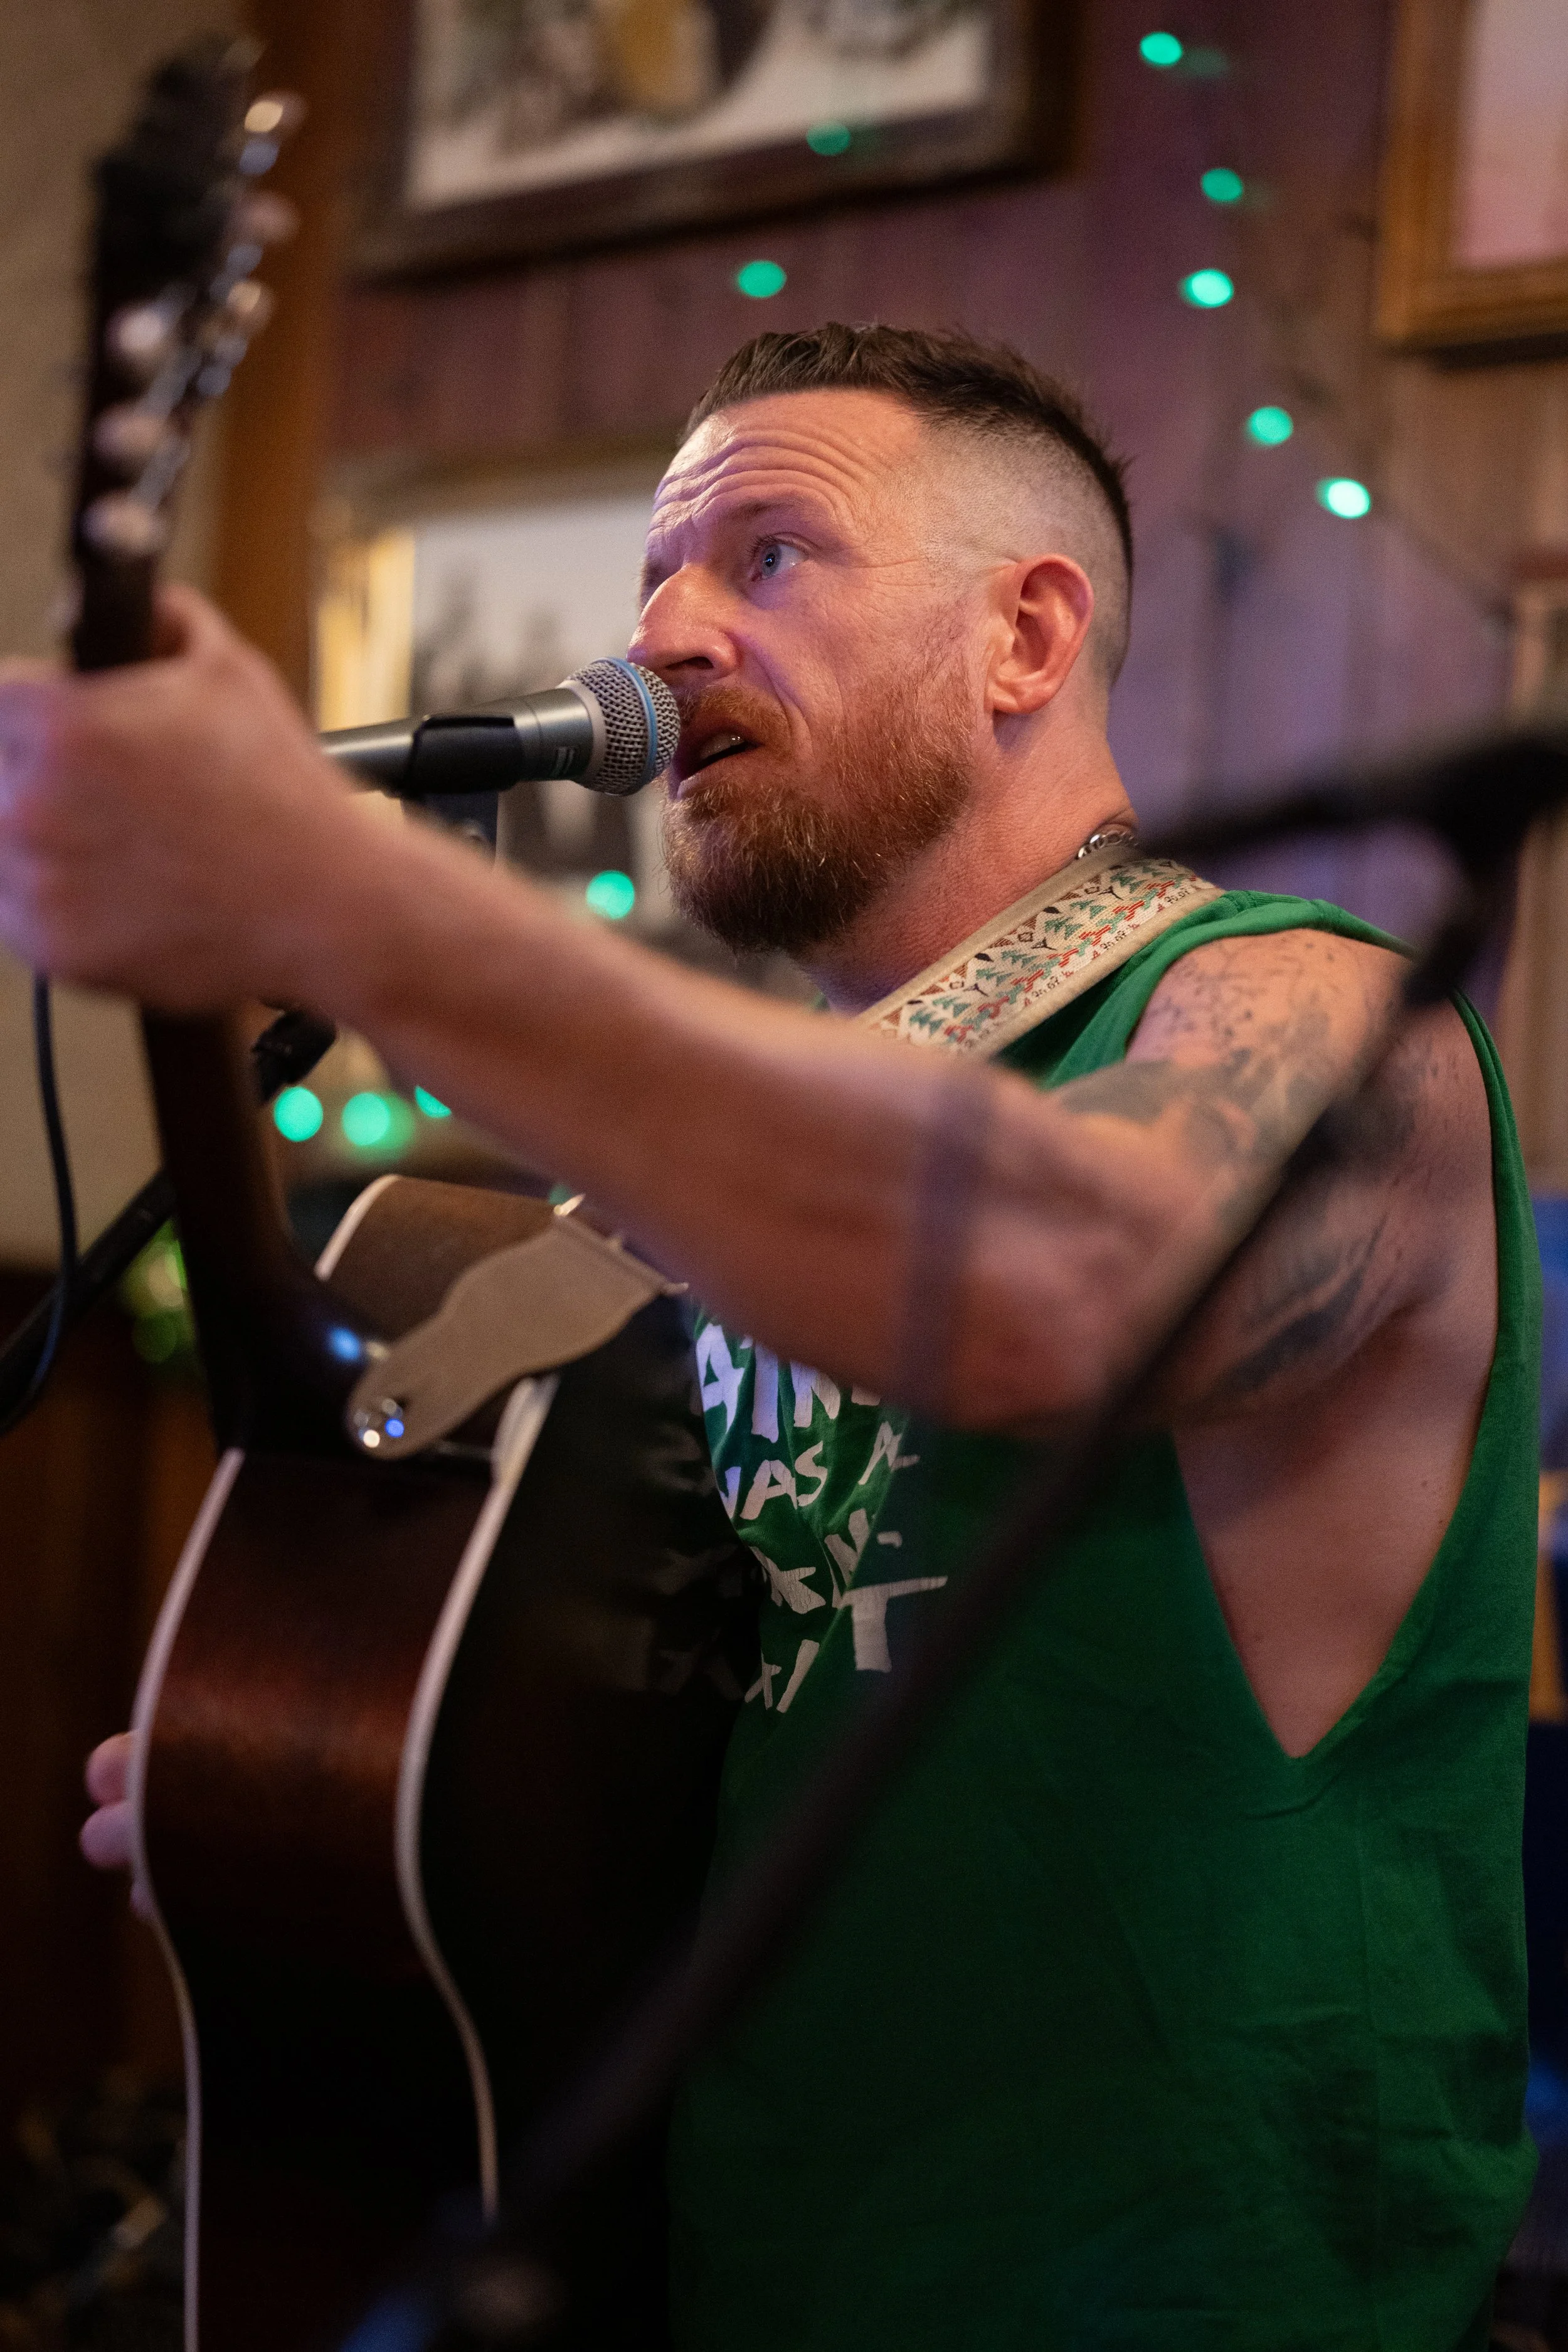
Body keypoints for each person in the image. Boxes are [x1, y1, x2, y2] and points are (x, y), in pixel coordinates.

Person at [9, 326, 1537, 2349]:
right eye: (654, 569)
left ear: (1024, 635)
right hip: (731, 2264)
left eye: (766, 552)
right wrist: (341, 1790)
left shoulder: (1313, 1019)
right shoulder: (721, 1179)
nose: (664, 631)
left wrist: (335, 905)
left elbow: (1074, 1283)